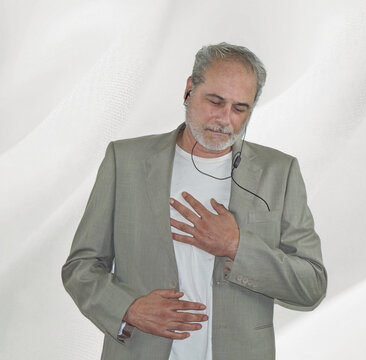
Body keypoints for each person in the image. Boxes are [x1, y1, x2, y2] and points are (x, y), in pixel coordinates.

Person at [62, 42, 327, 360]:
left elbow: (311, 284)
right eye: (215, 102)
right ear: (189, 90)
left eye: (240, 108)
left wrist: (235, 246)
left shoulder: (279, 172)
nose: (224, 120)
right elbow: (81, 266)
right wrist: (128, 308)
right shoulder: (125, 160)